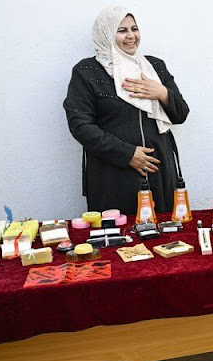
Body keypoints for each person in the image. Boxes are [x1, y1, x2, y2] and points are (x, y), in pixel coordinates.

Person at [64, 6, 189, 215]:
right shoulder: (87, 72)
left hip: (159, 170)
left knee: (163, 238)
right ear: (106, 34)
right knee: (119, 240)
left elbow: (181, 114)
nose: (131, 36)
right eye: (122, 30)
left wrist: (162, 93)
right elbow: (80, 125)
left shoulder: (154, 67)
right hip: (113, 174)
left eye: (134, 29)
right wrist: (127, 154)